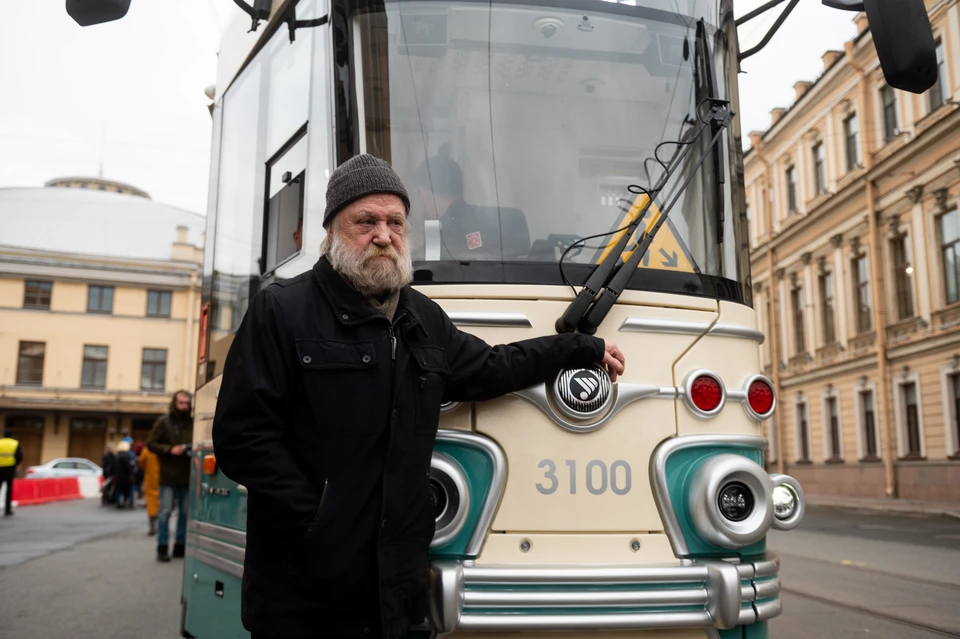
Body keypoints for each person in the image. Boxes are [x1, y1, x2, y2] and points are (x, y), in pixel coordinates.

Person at [213, 154, 626, 639]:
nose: (383, 235)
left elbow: (492, 367)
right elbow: (243, 438)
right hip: (305, 594)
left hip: (397, 592)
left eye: (395, 222)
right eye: (364, 222)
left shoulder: (420, 318)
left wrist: (579, 348)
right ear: (331, 231)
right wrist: (317, 520)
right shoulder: (281, 311)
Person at [146, 391, 194, 562]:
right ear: (175, 403)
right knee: (165, 513)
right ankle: (162, 547)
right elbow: (150, 443)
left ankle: (180, 546)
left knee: (185, 513)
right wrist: (170, 449)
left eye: (187, 404)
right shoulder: (164, 422)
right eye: (181, 403)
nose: (184, 407)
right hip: (168, 476)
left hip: (188, 476)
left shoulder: (193, 422)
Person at [138, 441, 161, 535]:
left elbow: (141, 463)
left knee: (151, 504)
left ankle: (152, 526)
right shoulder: (161, 450)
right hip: (162, 479)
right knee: (161, 504)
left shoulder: (146, 451)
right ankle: (161, 526)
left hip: (150, 480)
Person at [0, 430, 23, 517]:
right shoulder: (15, 443)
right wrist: (16, 464)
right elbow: (19, 456)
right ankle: (7, 510)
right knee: (8, 490)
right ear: (11, 435)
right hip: (10, 469)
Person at [114, 438, 136, 509]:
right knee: (130, 490)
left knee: (118, 490)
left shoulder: (116, 456)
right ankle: (131, 503)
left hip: (118, 477)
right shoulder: (127, 456)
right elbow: (129, 467)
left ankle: (118, 503)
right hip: (127, 477)